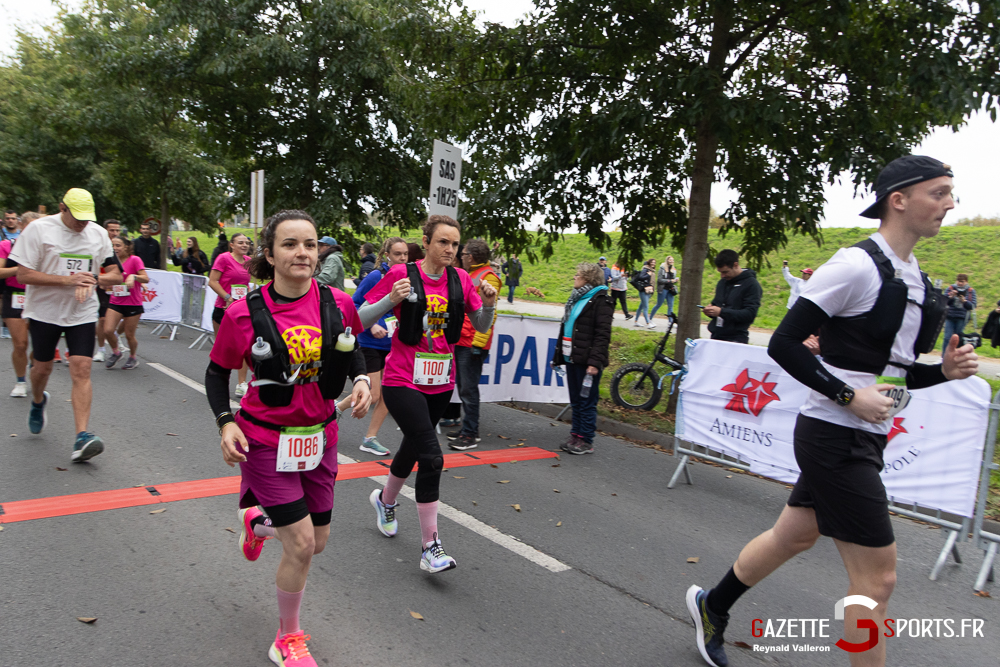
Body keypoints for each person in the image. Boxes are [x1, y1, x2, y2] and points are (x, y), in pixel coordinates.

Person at [686, 155, 979, 667]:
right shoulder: (855, 265)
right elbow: (784, 343)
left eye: (952, 193)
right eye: (939, 192)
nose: (950, 203)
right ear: (899, 199)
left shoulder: (913, 277)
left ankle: (714, 605)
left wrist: (944, 373)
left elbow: (890, 375)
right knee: (878, 579)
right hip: (832, 435)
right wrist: (847, 396)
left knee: (793, 535)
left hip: (862, 435)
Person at [205, 209, 371, 667]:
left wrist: (360, 381)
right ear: (270, 254)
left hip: (321, 436)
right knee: (299, 544)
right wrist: (226, 421)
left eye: (310, 245)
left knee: (317, 540)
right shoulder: (243, 313)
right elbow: (218, 372)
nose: (302, 253)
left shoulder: (338, 302)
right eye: (290, 244)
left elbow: (352, 347)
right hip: (265, 440)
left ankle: (256, 524)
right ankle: (288, 638)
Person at [360, 215, 497, 572]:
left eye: (455, 245)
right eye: (443, 243)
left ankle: (385, 500)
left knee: (413, 445)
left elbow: (480, 324)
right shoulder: (401, 275)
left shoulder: (462, 280)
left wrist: (490, 302)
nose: (451, 250)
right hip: (403, 379)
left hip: (439, 382)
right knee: (432, 457)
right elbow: (360, 318)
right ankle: (430, 548)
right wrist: (389, 300)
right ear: (427, 241)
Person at [8, 188, 122, 462]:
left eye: (87, 217)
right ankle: (38, 401)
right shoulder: (38, 230)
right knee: (42, 368)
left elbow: (116, 274)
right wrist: (67, 280)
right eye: (77, 217)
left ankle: (82, 436)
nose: (82, 223)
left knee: (81, 368)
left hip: (81, 312)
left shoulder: (96, 234)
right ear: (62, 208)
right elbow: (22, 274)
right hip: (44, 311)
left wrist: (94, 278)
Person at [337, 236, 408, 456]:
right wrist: (374, 325)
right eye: (398, 254)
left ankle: (370, 438)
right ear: (387, 255)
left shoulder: (408, 278)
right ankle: (335, 410)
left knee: (389, 393)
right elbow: (355, 304)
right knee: (374, 394)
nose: (402, 258)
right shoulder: (377, 276)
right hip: (369, 343)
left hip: (392, 343)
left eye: (406, 254)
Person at [551, 262, 613, 455]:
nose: (574, 277)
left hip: (587, 361)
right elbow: (567, 328)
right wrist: (559, 356)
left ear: (588, 278)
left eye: (577, 274)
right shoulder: (577, 298)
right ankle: (576, 434)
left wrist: (595, 362)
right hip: (572, 357)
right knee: (576, 399)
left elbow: (603, 334)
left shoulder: (602, 301)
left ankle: (586, 439)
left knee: (587, 400)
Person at [447, 238, 502, 450]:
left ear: (471, 256)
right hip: (463, 340)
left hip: (472, 342)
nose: (461, 257)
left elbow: (491, 312)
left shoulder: (488, 277)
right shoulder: (471, 274)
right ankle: (467, 429)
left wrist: (478, 343)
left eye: (463, 254)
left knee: (468, 390)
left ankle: (470, 434)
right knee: (464, 388)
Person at [0, 212, 43, 396]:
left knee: (41, 345)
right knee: (20, 344)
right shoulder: (7, 245)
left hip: (40, 296)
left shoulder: (47, 249)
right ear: (22, 227)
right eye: (32, 226)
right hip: (15, 296)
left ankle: (34, 367)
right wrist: (21, 269)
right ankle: (20, 382)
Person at [209, 232, 252, 396]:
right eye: (240, 242)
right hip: (223, 308)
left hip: (241, 310)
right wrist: (227, 297)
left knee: (243, 347)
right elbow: (212, 281)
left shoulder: (249, 262)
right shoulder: (224, 258)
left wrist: (248, 296)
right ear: (232, 245)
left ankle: (242, 383)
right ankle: (216, 380)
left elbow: (245, 284)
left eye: (246, 243)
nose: (244, 245)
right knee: (222, 349)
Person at [104, 237, 148, 370]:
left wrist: (133, 277)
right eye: (113, 246)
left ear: (126, 247)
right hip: (116, 301)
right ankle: (116, 352)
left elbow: (146, 278)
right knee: (108, 330)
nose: (115, 248)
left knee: (129, 335)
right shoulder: (111, 262)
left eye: (118, 245)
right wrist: (107, 285)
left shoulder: (135, 260)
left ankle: (133, 357)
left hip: (133, 303)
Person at [703, 250, 762, 344]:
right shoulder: (722, 283)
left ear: (735, 265)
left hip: (736, 340)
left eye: (725, 272)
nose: (722, 276)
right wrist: (710, 310)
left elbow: (750, 314)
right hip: (716, 336)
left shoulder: (751, 285)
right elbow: (717, 303)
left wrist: (721, 312)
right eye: (720, 272)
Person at [93, 220, 123, 363]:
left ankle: (116, 342)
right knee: (103, 320)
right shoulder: (98, 245)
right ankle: (101, 349)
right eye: (112, 230)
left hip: (118, 288)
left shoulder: (121, 247)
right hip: (101, 287)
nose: (115, 233)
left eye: (117, 230)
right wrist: (103, 279)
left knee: (119, 321)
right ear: (105, 231)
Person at [943, 273, 976, 352]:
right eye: (958, 281)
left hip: (962, 317)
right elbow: (944, 301)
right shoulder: (951, 288)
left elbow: (973, 306)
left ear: (966, 282)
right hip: (950, 316)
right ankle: (944, 357)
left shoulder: (970, 291)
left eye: (962, 281)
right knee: (947, 337)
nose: (960, 283)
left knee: (958, 338)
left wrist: (964, 301)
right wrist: (951, 297)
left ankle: (955, 356)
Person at [650, 255, 677, 321]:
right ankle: (650, 318)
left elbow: (672, 279)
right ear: (667, 260)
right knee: (659, 304)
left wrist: (675, 280)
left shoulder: (673, 269)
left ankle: (670, 321)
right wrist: (669, 280)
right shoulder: (662, 269)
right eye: (670, 260)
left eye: (672, 260)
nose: (671, 261)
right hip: (663, 289)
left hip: (670, 289)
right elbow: (659, 280)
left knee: (670, 306)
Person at [631, 258, 655, 328]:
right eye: (652, 262)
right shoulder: (645, 269)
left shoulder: (651, 270)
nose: (653, 264)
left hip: (648, 291)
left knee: (641, 307)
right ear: (649, 263)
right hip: (643, 291)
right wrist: (648, 275)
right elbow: (641, 277)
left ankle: (636, 321)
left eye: (654, 262)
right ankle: (648, 323)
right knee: (645, 307)